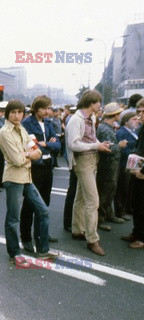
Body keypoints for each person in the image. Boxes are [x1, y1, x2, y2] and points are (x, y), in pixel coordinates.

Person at [0, 99, 61, 267]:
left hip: (27, 177)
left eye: (20, 112)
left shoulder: (22, 129)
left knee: (43, 211)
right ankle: (14, 253)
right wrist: (28, 155)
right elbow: (18, 160)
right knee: (13, 218)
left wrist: (27, 154)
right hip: (13, 179)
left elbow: (38, 151)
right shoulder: (5, 132)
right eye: (13, 112)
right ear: (7, 114)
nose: (17, 116)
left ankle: (43, 249)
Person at [66, 90, 111, 256]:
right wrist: (96, 146)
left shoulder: (90, 118)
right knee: (93, 201)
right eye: (98, 102)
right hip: (83, 161)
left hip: (92, 159)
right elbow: (73, 145)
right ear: (90, 103)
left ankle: (78, 229)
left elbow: (91, 139)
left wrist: (100, 144)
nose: (100, 105)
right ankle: (92, 239)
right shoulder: (75, 120)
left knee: (81, 197)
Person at [20, 95, 61, 252]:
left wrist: (46, 144)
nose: (47, 111)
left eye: (49, 108)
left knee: (45, 202)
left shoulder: (49, 123)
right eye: (44, 108)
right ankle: (25, 237)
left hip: (47, 166)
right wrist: (47, 144)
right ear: (36, 108)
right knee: (30, 203)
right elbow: (30, 147)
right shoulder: (27, 124)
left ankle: (41, 233)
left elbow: (58, 144)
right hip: (35, 166)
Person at [96, 103, 128, 231]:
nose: (120, 115)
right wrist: (119, 146)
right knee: (104, 191)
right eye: (119, 113)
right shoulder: (105, 129)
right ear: (114, 114)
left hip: (112, 164)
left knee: (111, 190)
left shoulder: (108, 127)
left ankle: (109, 214)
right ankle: (100, 219)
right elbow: (105, 150)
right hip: (107, 164)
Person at [122, 98, 144, 246]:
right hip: (138, 170)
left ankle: (141, 238)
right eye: (139, 111)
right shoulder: (142, 127)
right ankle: (136, 232)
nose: (140, 114)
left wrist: (143, 171)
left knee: (142, 206)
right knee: (136, 204)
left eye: (143, 111)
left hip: (142, 172)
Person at [115, 112, 138, 221]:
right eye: (134, 119)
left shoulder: (134, 131)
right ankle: (120, 210)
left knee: (130, 188)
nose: (136, 121)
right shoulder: (121, 132)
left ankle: (127, 208)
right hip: (124, 164)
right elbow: (123, 150)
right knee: (122, 188)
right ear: (126, 121)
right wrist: (135, 153)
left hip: (132, 164)